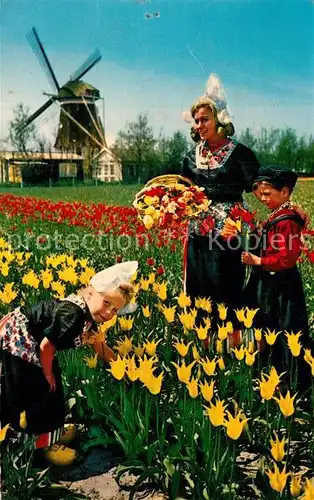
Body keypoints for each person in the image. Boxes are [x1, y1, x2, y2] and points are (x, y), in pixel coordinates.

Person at [0, 261, 138, 465]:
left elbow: (100, 347)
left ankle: (50, 434)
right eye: (106, 303)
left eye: (115, 310)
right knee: (37, 390)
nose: (109, 313)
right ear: (90, 294)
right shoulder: (73, 314)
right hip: (19, 341)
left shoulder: (88, 318)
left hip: (34, 346)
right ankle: (34, 447)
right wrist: (47, 374)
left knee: (52, 390)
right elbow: (46, 346)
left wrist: (125, 370)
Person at [181, 74, 261, 340]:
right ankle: (205, 346)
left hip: (228, 230)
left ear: (219, 119)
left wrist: (288, 205)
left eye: (205, 119)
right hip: (197, 230)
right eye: (197, 120)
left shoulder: (240, 154)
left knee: (225, 284)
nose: (200, 125)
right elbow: (181, 189)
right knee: (199, 285)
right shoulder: (190, 157)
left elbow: (261, 187)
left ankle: (234, 346)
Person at [241, 165, 313, 389]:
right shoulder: (281, 213)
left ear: (284, 192)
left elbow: (286, 259)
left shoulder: (287, 220)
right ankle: (277, 376)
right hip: (272, 283)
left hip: (283, 286)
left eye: (267, 194)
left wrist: (258, 261)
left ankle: (292, 383)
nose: (262, 198)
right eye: (260, 194)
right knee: (272, 325)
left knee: (285, 329)